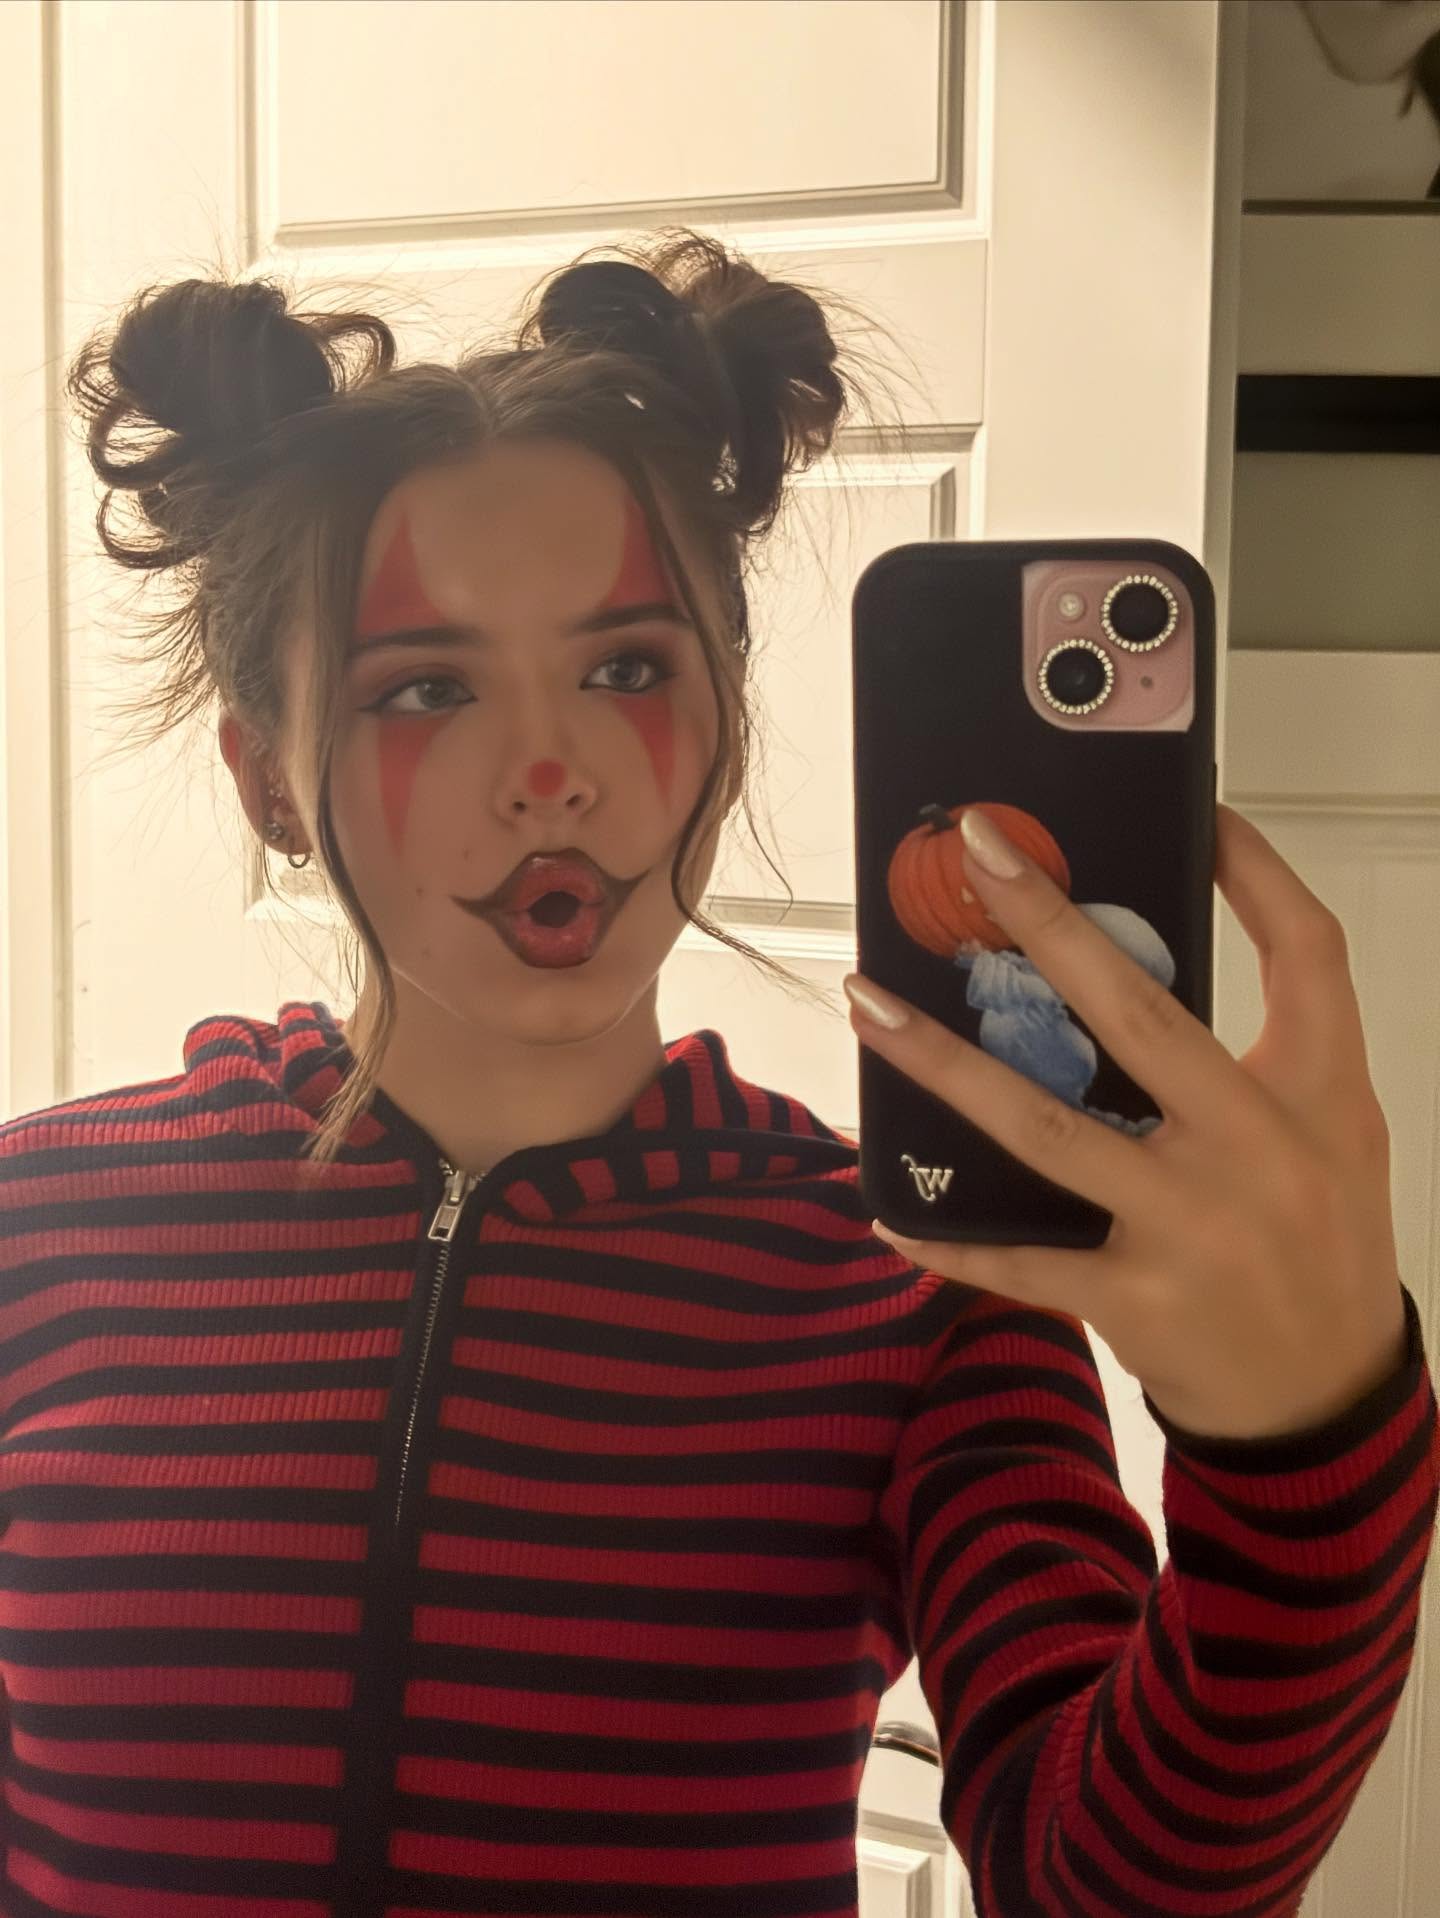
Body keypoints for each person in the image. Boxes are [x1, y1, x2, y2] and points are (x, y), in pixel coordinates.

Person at [0, 227, 1434, 1918]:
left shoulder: (915, 1286)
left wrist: (1305, 1456)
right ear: (267, 780)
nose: (551, 770)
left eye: (626, 668)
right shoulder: (39, 1221)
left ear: (730, 721)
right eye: (426, 687)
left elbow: (1102, 1888)